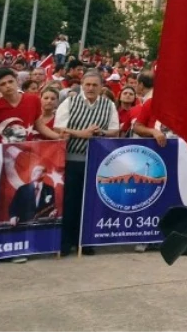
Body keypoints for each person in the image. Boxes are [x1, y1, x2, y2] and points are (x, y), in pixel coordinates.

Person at [53, 70, 119, 255]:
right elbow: (58, 127)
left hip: (97, 161)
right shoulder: (70, 102)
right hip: (72, 159)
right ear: (82, 85)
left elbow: (115, 130)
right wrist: (80, 133)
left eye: (94, 85)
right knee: (70, 202)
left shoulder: (108, 105)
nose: (90, 88)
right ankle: (66, 242)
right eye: (87, 84)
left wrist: (101, 133)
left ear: (101, 87)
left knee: (90, 202)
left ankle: (86, 240)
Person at [0, 68, 61, 143]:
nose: (8, 85)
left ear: (16, 81)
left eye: (10, 81)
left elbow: (39, 125)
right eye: (3, 84)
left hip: (27, 150)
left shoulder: (33, 100)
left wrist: (58, 137)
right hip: (1, 152)